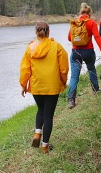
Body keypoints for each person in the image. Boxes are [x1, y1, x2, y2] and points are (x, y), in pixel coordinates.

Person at [19, 21, 69, 154]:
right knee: (48, 116)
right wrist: (63, 81)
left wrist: (24, 85)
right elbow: (63, 68)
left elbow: (25, 69)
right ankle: (45, 146)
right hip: (52, 86)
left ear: (36, 32)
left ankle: (37, 133)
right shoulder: (56, 46)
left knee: (40, 109)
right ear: (48, 32)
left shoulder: (30, 48)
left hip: (37, 86)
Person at [67, 3, 101, 109]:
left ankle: (71, 100)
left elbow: (69, 38)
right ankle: (96, 89)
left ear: (81, 12)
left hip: (76, 52)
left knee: (74, 76)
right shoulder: (91, 23)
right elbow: (97, 37)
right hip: (88, 51)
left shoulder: (75, 23)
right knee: (91, 69)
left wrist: (78, 38)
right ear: (89, 13)